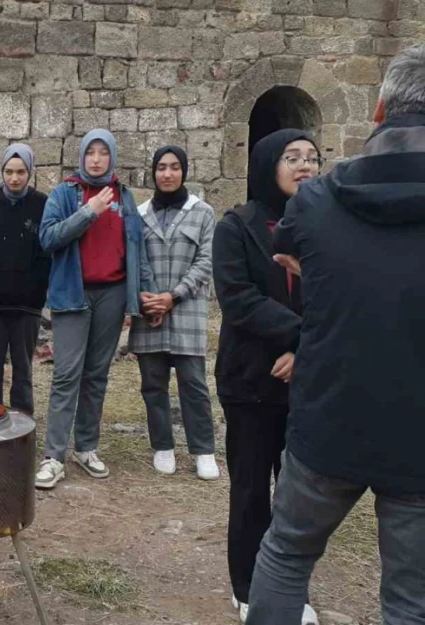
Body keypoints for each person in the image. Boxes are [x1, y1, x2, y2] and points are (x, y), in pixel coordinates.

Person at [247, 45, 425, 625]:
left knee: (286, 554)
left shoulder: (318, 201)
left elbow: (290, 252)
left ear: (377, 111)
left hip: (331, 414)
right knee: (409, 598)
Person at [212, 128, 320, 624]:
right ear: (267, 164)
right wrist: (304, 333)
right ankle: (248, 586)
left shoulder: (325, 225)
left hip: (307, 380)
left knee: (298, 497)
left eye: (312, 158)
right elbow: (238, 299)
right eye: (291, 157)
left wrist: (305, 348)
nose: (304, 165)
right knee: (253, 490)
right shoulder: (237, 226)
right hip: (253, 380)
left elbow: (342, 293)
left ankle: (288, 590)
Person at [34, 129, 155, 489]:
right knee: (66, 374)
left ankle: (86, 447)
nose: (97, 159)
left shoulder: (125, 196)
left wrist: (144, 293)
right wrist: (89, 212)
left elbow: (137, 248)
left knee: (97, 373)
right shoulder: (64, 193)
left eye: (104, 153)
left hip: (113, 294)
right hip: (73, 292)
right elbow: (48, 238)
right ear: (82, 156)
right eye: (91, 152)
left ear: (112, 157)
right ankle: (53, 455)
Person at [129, 146, 220, 481]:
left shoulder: (202, 212)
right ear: (153, 173)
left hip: (186, 310)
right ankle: (163, 445)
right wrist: (145, 299)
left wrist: (174, 296)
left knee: (193, 384)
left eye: (174, 167)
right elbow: (133, 260)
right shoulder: (139, 216)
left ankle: (203, 450)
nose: (167, 174)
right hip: (149, 310)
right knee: (152, 384)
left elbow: (206, 261)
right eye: (161, 168)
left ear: (184, 171)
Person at [0, 143, 50, 415]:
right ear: (2, 172)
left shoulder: (42, 204)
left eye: (20, 172)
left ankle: (22, 422)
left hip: (27, 305)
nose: (14, 178)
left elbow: (46, 253)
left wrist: (37, 292)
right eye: (9, 171)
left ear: (30, 172)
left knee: (23, 368)